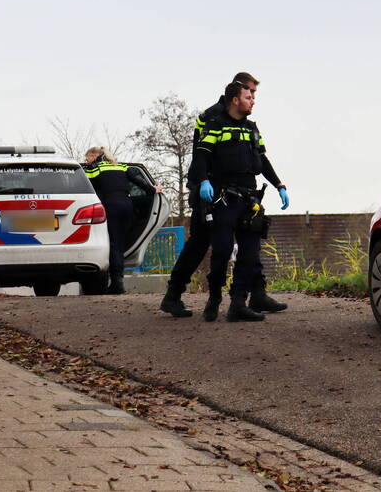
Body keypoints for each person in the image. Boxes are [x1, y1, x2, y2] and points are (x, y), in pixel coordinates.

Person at [160, 72, 289, 318]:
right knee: (201, 245)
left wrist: (278, 184)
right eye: (250, 93)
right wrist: (204, 183)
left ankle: (254, 294)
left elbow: (259, 156)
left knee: (249, 241)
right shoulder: (213, 117)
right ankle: (176, 295)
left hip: (238, 191)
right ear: (236, 94)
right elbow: (201, 154)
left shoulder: (248, 125)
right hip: (211, 190)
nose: (254, 98)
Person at [83, 147, 158, 295]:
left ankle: (117, 283)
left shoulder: (95, 169)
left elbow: (87, 188)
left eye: (87, 158)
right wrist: (154, 189)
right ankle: (118, 280)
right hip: (127, 206)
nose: (86, 161)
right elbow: (139, 182)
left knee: (114, 244)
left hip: (111, 206)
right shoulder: (122, 166)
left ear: (96, 156)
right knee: (120, 244)